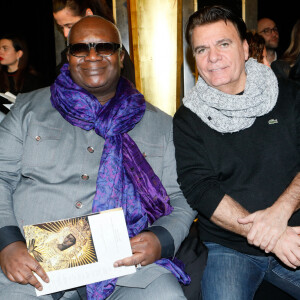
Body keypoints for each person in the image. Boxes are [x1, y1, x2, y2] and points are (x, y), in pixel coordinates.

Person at [0, 15, 196, 300]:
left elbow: (182, 196)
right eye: (80, 48)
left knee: (166, 295)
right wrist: (7, 242)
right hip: (32, 264)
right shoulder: (28, 110)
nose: (92, 56)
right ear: (68, 56)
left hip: (123, 265)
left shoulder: (161, 126)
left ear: (121, 55)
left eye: (104, 47)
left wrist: (161, 239)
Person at [173, 5, 300, 300]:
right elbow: (201, 189)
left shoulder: (291, 96)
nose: (213, 57)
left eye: (223, 44)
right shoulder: (188, 118)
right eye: (201, 49)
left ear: (245, 49)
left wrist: (279, 216)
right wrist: (272, 235)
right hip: (230, 246)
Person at [52, 0, 135, 85]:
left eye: (69, 26)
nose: (65, 34)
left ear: (88, 14)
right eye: (61, 28)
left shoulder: (113, 52)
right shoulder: (67, 54)